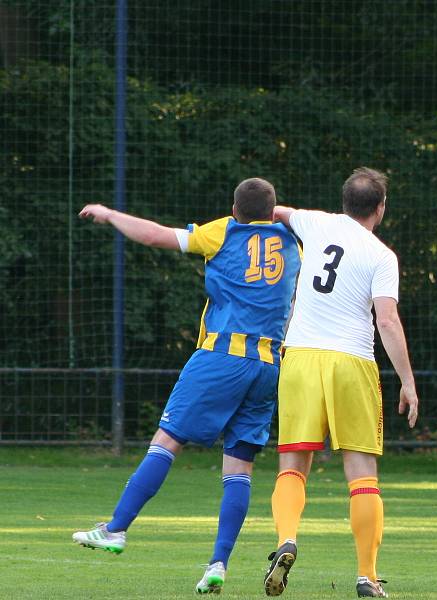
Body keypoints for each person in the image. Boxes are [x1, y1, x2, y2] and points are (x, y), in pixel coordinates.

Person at [72, 178, 302, 594]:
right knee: (239, 467)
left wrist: (109, 214)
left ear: (235, 209)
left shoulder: (226, 231)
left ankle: (116, 528)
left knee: (168, 440)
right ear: (273, 212)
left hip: (221, 356)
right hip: (269, 363)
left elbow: (157, 236)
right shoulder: (294, 242)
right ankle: (218, 563)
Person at [262, 167, 419, 598]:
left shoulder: (314, 222)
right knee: (362, 473)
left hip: (301, 357)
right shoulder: (382, 255)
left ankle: (286, 540)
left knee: (293, 464)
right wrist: (407, 380)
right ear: (380, 208)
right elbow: (386, 319)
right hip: (351, 361)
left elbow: (270, 208)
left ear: (344, 201)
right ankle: (367, 576)